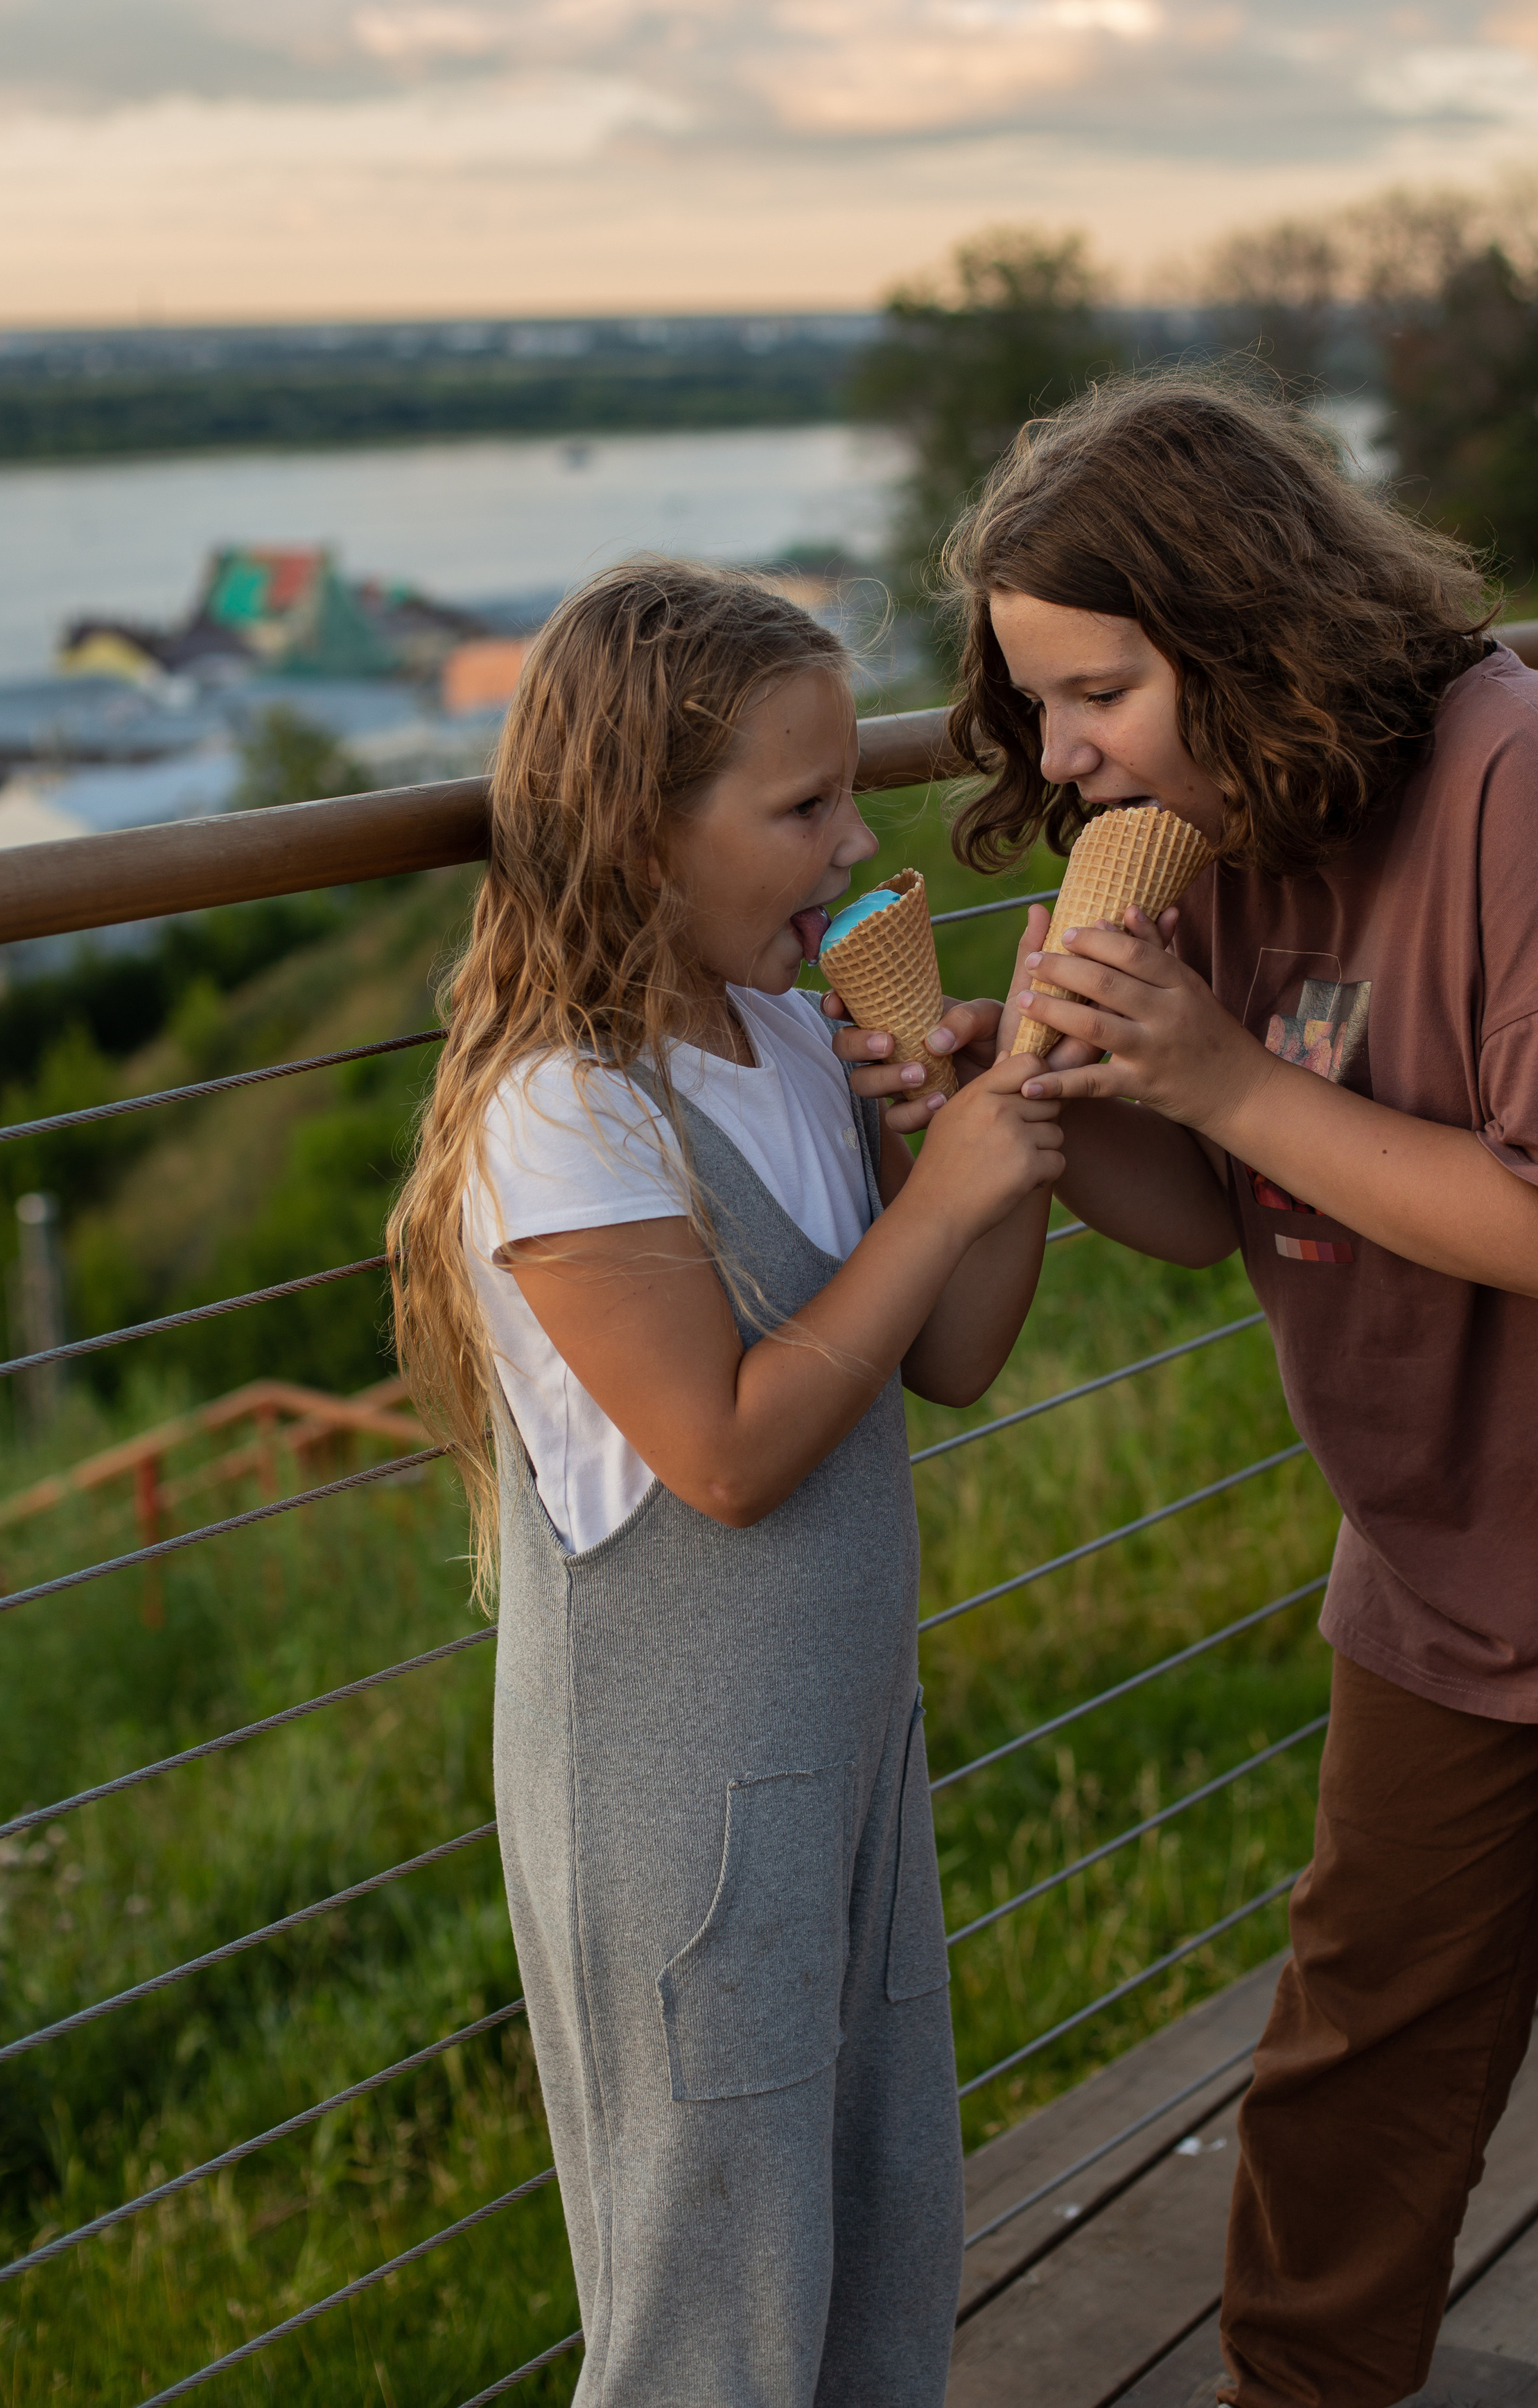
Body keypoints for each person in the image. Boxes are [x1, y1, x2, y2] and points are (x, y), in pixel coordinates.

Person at [829, 378, 1538, 2407]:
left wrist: (1229, 1071)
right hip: (1444, 1544)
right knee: (1354, 2070)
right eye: (1038, 705)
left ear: (1247, 631)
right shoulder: (1179, 844)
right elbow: (1188, 1210)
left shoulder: (1535, 782)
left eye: (1099, 693)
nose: (1061, 755)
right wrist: (1047, 1082)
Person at [387, 559, 1063, 2408]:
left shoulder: (787, 1032)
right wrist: (935, 1202)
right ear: (641, 831)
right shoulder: (564, 1108)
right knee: (718, 2306)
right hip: (678, 1820)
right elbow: (733, 1451)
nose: (858, 843)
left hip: (847, 1759)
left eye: (851, 789)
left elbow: (955, 1350)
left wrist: (974, 1153)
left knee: (879, 2232)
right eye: (803, 807)